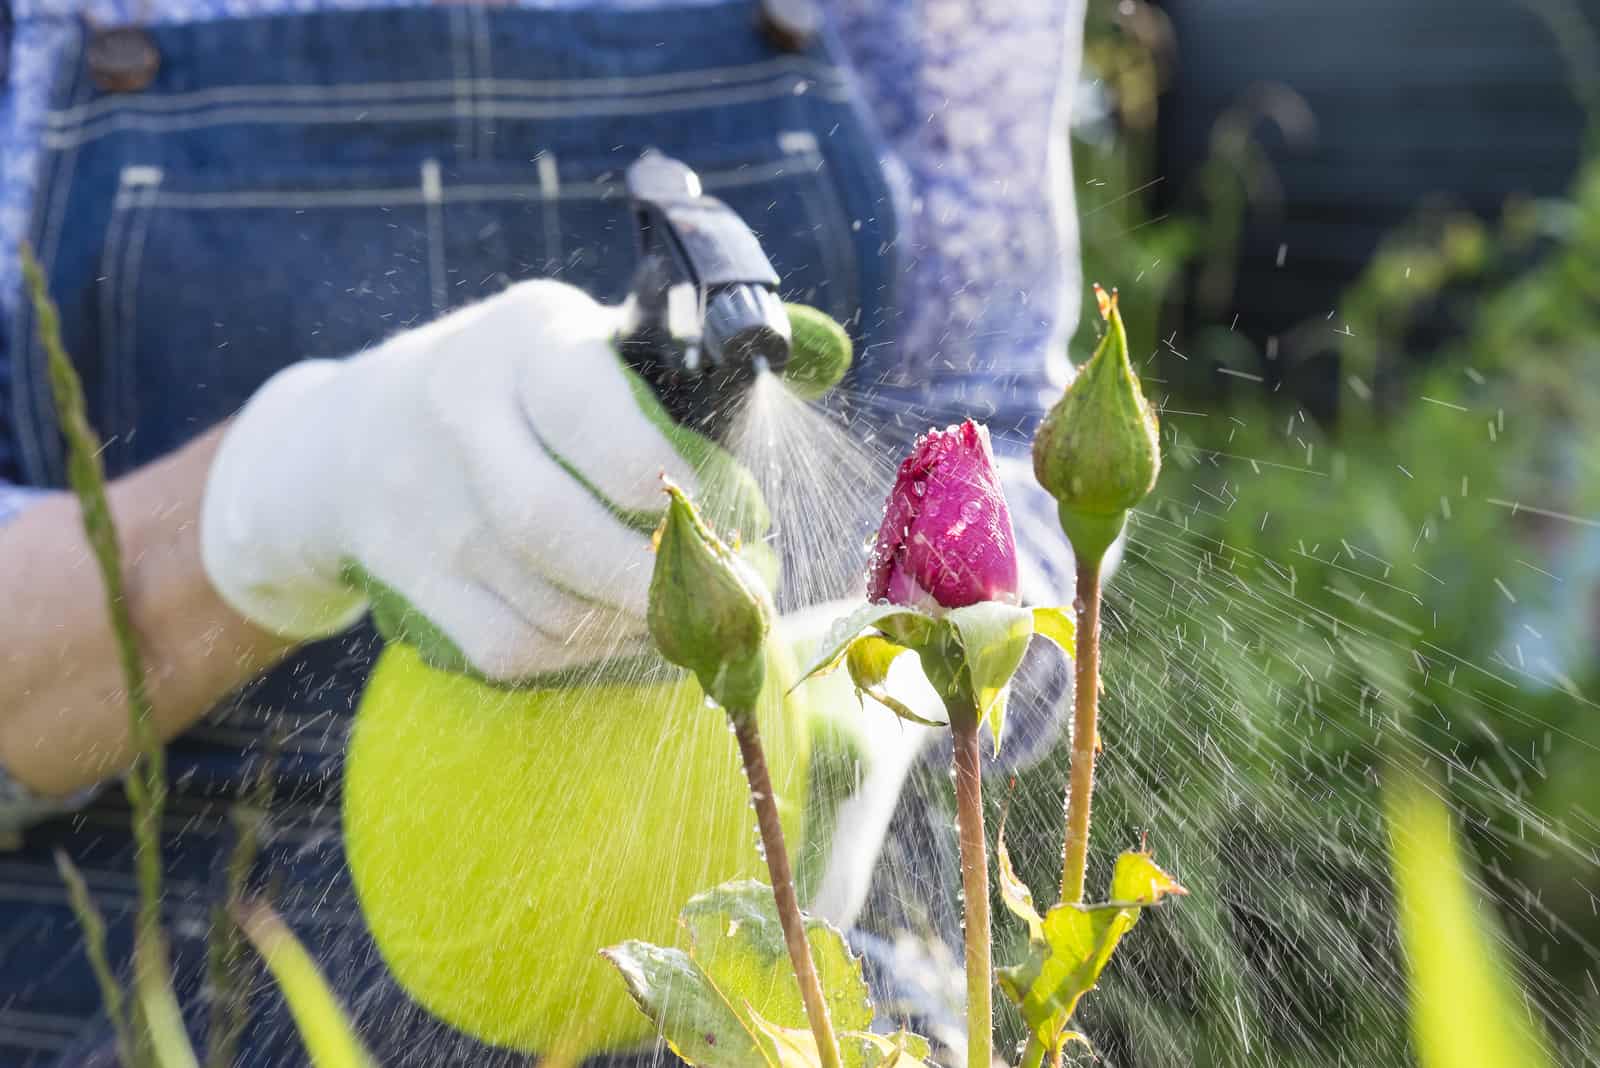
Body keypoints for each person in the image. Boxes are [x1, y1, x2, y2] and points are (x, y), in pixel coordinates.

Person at [0, 1, 1084, 1063]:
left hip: (785, 998)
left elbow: (1002, 446)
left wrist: (896, 700)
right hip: (145, 988)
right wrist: (266, 500)